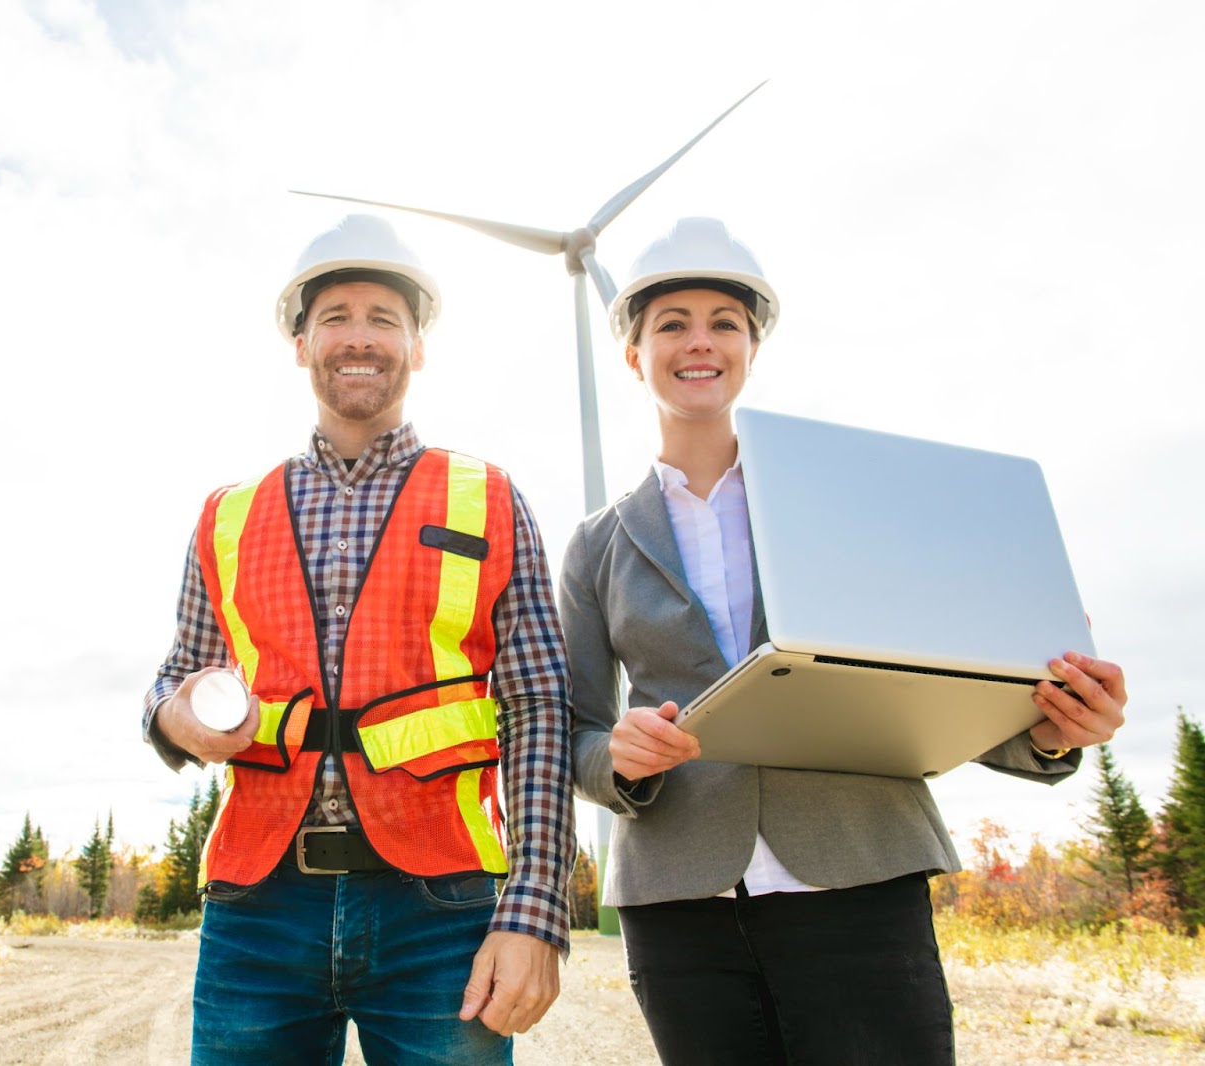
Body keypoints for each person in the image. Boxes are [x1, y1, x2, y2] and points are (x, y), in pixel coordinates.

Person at [560, 217, 1129, 1065]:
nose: (699, 341)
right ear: (634, 354)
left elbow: (919, 667)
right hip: (680, 905)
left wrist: (1044, 729)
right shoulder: (596, 545)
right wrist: (619, 759)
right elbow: (569, 728)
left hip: (859, 876)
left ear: (753, 347)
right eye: (670, 323)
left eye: (725, 322)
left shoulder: (844, 494)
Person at [143, 215, 576, 1065]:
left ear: (418, 347)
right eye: (336, 314)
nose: (360, 337)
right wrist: (174, 716)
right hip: (258, 909)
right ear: (300, 343)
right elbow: (176, 678)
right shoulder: (228, 516)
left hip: (441, 907)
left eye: (385, 317)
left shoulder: (486, 497)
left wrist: (533, 911)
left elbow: (539, 706)